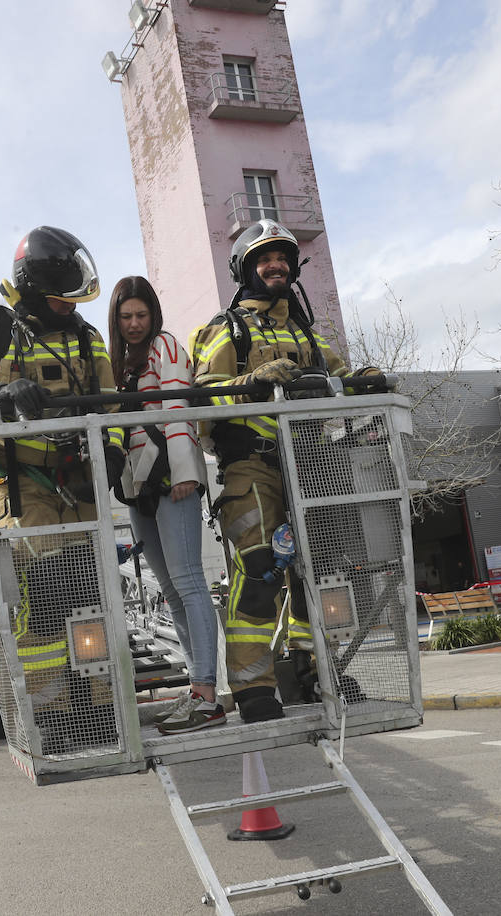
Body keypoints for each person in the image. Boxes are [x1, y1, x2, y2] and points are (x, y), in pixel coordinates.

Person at [0, 226, 125, 752]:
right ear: (32, 286)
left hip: (78, 483)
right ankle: (52, 713)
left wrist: (116, 447)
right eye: (61, 297)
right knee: (44, 592)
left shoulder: (85, 335)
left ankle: (99, 706)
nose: (70, 308)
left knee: (91, 593)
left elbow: (111, 404)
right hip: (16, 484)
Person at [189, 219, 370, 722]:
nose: (277, 266)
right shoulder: (223, 330)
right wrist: (251, 381)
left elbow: (339, 375)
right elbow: (200, 398)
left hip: (311, 465)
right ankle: (254, 689)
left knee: (322, 570)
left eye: (284, 258)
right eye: (266, 258)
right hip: (253, 466)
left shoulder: (305, 332)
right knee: (261, 570)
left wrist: (364, 381)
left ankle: (317, 669)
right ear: (246, 268)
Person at [107, 276, 221, 734]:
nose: (135, 324)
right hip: (139, 485)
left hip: (172, 477)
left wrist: (185, 472)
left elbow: (177, 406)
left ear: (154, 314)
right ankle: (197, 689)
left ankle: (208, 694)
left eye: (142, 314)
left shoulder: (166, 347)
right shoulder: (120, 362)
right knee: (170, 590)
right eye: (126, 317)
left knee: (190, 583)